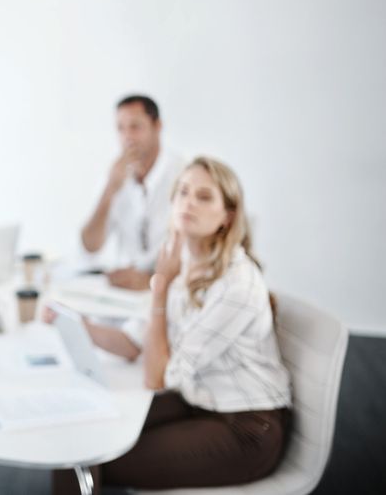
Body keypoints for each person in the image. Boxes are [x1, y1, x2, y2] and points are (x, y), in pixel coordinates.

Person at [51, 157, 292, 492]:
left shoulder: (236, 283)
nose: (189, 202)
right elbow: (134, 342)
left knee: (91, 456)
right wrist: (76, 323)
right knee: (79, 439)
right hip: (197, 399)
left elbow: (157, 377)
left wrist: (160, 286)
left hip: (246, 427)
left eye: (204, 197)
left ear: (228, 216)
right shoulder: (184, 262)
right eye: (183, 192)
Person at [80, 95, 187, 290]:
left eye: (135, 127)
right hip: (123, 291)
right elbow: (90, 246)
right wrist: (110, 189)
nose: (127, 137)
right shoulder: (115, 176)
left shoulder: (183, 176)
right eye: (120, 128)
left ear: (157, 126)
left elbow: (196, 255)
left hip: (169, 289)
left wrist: (148, 280)